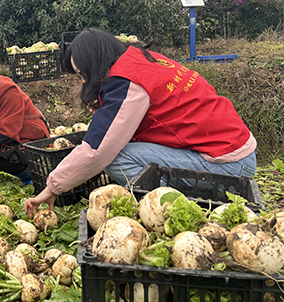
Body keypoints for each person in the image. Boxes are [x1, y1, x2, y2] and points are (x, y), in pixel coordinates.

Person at [25, 28, 257, 217]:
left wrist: (53, 186)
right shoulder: (140, 60)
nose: (83, 81)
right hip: (235, 149)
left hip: (227, 166)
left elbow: (97, 150)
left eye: (82, 74)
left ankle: (167, 208)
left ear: (94, 66)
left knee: (116, 157)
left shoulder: (125, 84)